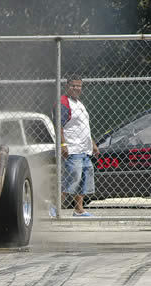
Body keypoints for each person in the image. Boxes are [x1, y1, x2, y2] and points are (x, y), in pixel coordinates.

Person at [58, 74, 99, 217]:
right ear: (66, 86)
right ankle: (54, 206)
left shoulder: (79, 104)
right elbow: (59, 126)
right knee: (72, 178)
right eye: (73, 85)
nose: (76, 88)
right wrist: (63, 144)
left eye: (79, 86)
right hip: (73, 148)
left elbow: (84, 126)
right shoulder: (63, 102)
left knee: (84, 178)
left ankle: (79, 209)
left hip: (85, 149)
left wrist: (92, 144)